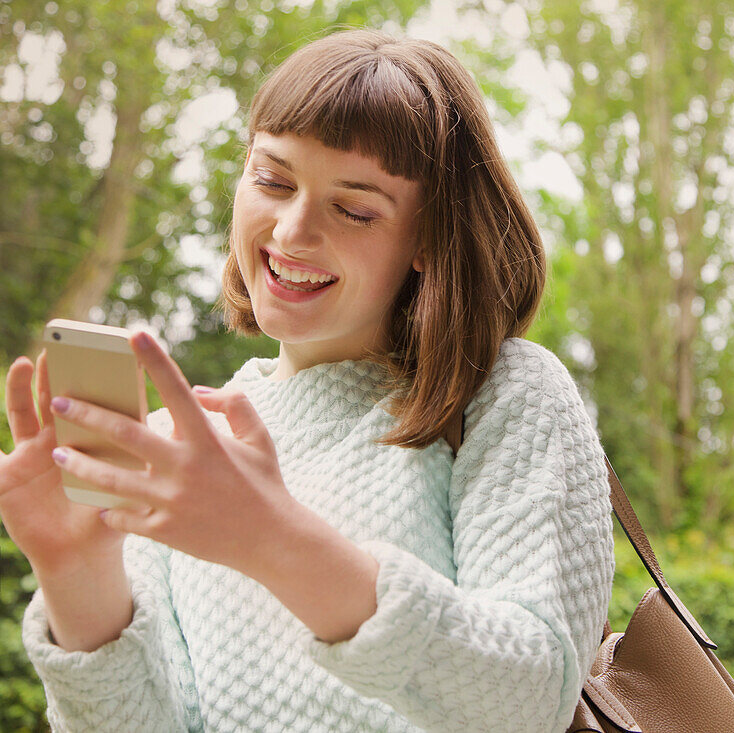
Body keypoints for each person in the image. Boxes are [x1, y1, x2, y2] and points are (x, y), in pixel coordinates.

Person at [0, 29, 615, 733]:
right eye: (272, 179)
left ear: (428, 237)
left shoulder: (502, 392)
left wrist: (270, 537)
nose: (292, 232)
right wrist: (77, 571)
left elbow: (532, 694)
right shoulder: (178, 445)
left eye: (353, 208)